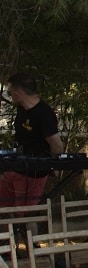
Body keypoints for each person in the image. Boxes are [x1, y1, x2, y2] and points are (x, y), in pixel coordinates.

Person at [2, 72, 64, 209]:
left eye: (10, 92)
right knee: (5, 207)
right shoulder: (21, 110)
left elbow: (57, 144)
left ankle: (27, 231)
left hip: (32, 171)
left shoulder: (44, 113)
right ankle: (10, 231)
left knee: (25, 213)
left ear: (18, 92)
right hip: (14, 166)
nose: (10, 96)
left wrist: (53, 165)